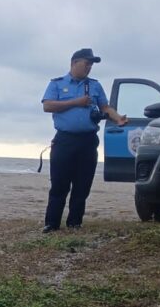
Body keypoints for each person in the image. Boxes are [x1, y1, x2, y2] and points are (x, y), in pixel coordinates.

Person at [40, 48, 128, 232]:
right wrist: (75, 102)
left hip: (88, 141)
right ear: (74, 63)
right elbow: (47, 105)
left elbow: (104, 107)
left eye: (91, 65)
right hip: (64, 140)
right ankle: (52, 223)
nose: (89, 68)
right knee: (59, 184)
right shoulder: (57, 84)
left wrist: (117, 118)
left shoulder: (95, 85)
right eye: (86, 64)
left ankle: (75, 223)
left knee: (82, 184)